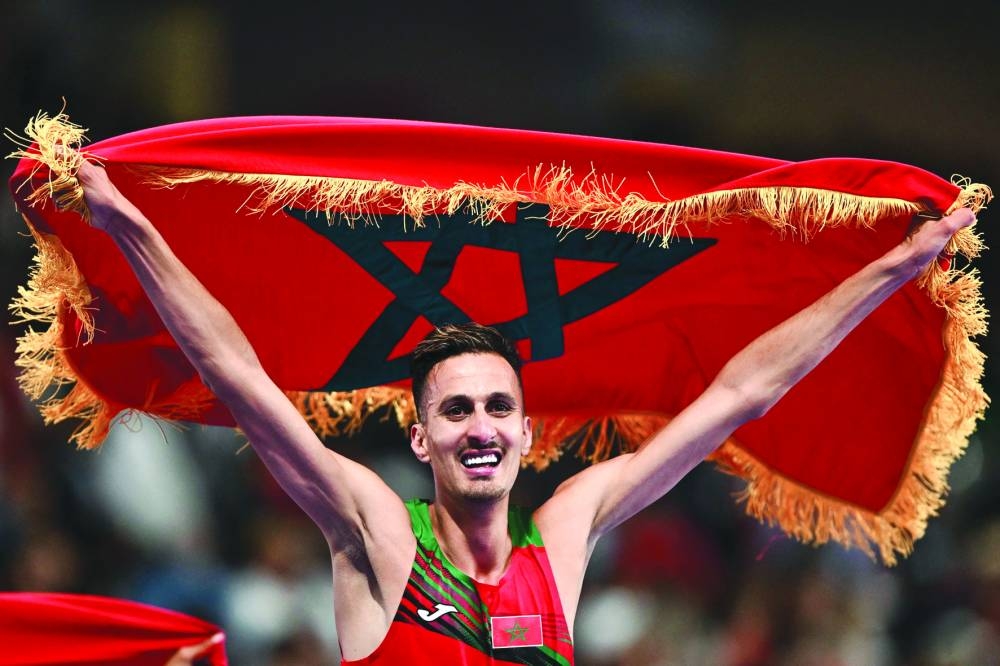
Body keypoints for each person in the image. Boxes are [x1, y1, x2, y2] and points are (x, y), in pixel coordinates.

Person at [72, 158, 976, 665]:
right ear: (421, 436)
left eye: (499, 406)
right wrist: (133, 229)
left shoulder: (566, 536)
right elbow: (238, 376)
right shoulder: (377, 531)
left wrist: (891, 271)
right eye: (457, 409)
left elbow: (740, 393)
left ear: (526, 431)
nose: (481, 427)